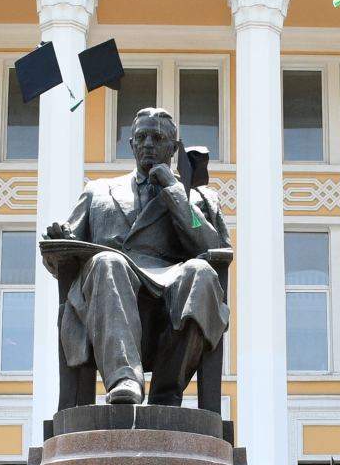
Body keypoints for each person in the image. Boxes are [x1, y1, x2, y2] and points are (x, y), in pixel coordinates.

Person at [44, 107, 230, 407]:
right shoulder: (98, 191)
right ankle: (124, 380)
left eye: (156, 137)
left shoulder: (196, 197)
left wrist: (173, 191)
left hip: (169, 288)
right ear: (131, 144)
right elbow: (62, 256)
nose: (147, 144)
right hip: (109, 290)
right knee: (109, 261)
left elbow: (210, 244)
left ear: (173, 147)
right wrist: (61, 235)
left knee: (202, 274)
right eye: (140, 137)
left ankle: (166, 392)